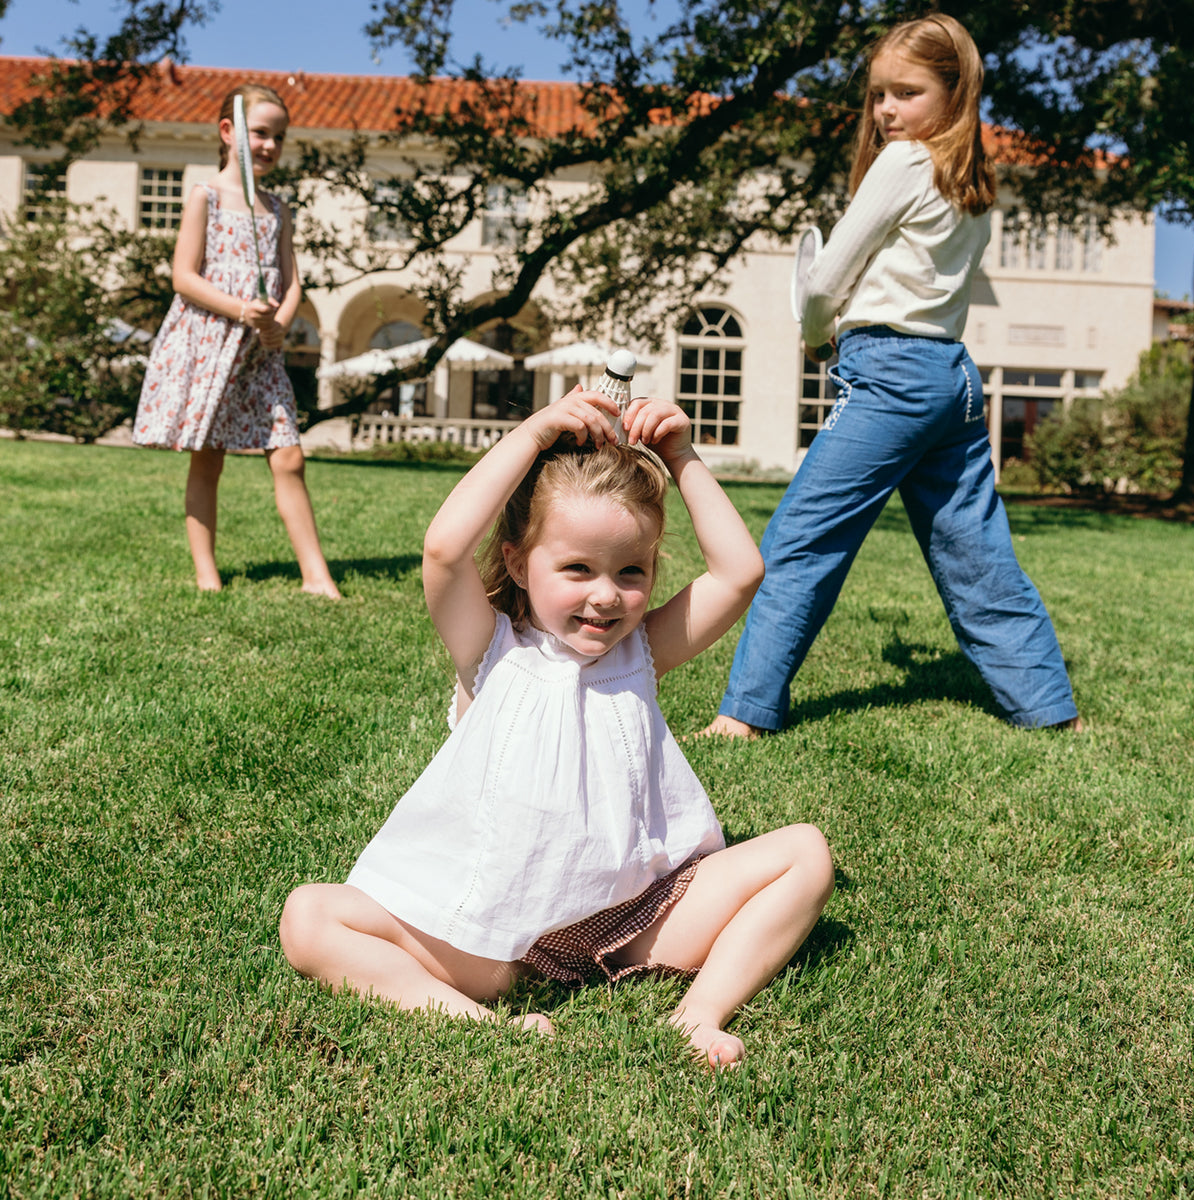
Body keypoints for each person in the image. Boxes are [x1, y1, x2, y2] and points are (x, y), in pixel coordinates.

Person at [279, 388, 834, 1067]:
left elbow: (740, 571)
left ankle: (699, 1012)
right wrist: (532, 434)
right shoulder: (492, 653)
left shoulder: (642, 654)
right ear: (518, 563)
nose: (606, 595)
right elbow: (444, 550)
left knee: (806, 852)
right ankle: (482, 1024)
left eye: (631, 572)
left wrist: (682, 455)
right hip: (501, 935)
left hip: (641, 918)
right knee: (309, 918)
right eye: (577, 568)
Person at [703, 13, 1081, 740]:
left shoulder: (904, 163)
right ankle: (1047, 710)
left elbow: (825, 279)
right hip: (952, 379)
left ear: (956, 90)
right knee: (976, 554)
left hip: (892, 376)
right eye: (878, 94)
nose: (886, 111)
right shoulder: (973, 180)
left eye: (906, 92)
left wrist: (818, 339)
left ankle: (743, 715)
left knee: (802, 539)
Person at [132, 84, 340, 598]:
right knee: (209, 455)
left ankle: (316, 577)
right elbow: (184, 276)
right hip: (213, 345)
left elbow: (291, 281)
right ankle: (207, 575)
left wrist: (279, 322)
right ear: (228, 133)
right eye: (260, 133)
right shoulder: (205, 197)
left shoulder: (278, 208)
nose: (270, 145)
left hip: (261, 352)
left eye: (279, 137)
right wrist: (241, 309)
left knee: (289, 455)